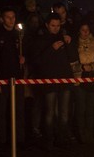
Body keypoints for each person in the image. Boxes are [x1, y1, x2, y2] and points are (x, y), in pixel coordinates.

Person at [33, 13, 76, 148]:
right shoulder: (40, 40)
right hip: (49, 80)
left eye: (58, 26)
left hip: (64, 79)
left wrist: (69, 43)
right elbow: (37, 61)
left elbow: (73, 57)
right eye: (53, 26)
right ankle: (49, 139)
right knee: (50, 111)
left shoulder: (63, 38)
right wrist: (52, 49)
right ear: (47, 25)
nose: (55, 28)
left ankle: (62, 138)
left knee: (64, 112)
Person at [0, 7, 26, 147]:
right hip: (2, 78)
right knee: (2, 111)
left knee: (19, 109)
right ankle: (2, 140)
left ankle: (19, 140)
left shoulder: (19, 35)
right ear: (2, 19)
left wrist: (23, 59)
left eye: (13, 17)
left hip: (17, 78)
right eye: (8, 17)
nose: (11, 20)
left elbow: (24, 52)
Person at [73, 21, 94, 143]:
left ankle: (89, 135)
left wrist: (92, 66)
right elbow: (71, 62)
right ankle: (81, 135)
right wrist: (80, 67)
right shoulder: (74, 43)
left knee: (90, 109)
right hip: (79, 79)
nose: (85, 32)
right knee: (81, 108)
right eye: (83, 30)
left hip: (91, 80)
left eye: (87, 30)